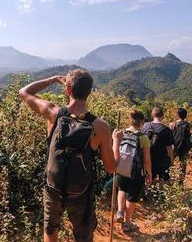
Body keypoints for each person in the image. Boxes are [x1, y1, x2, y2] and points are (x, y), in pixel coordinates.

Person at [19, 69, 120, 242]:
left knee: (50, 232)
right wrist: (116, 141)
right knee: (83, 236)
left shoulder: (53, 113)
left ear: (68, 90)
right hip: (81, 193)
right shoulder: (100, 127)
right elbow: (111, 168)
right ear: (89, 92)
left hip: (53, 189)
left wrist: (52, 80)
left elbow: (24, 92)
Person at [115, 109, 152, 232]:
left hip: (120, 168)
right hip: (135, 172)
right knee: (132, 197)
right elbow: (147, 160)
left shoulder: (121, 133)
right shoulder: (143, 138)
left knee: (122, 189)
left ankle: (120, 212)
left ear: (130, 120)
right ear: (142, 122)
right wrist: (149, 174)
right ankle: (127, 222)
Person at [142, 107, 174, 182]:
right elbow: (169, 148)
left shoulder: (145, 126)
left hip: (148, 157)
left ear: (152, 115)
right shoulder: (167, 130)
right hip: (162, 159)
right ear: (162, 116)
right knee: (162, 179)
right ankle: (160, 193)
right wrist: (172, 160)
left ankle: (149, 193)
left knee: (148, 178)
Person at [170, 108, 192, 183]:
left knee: (170, 163)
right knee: (183, 165)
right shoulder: (188, 124)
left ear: (178, 114)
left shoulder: (172, 124)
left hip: (174, 146)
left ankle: (170, 179)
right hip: (184, 147)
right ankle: (180, 182)